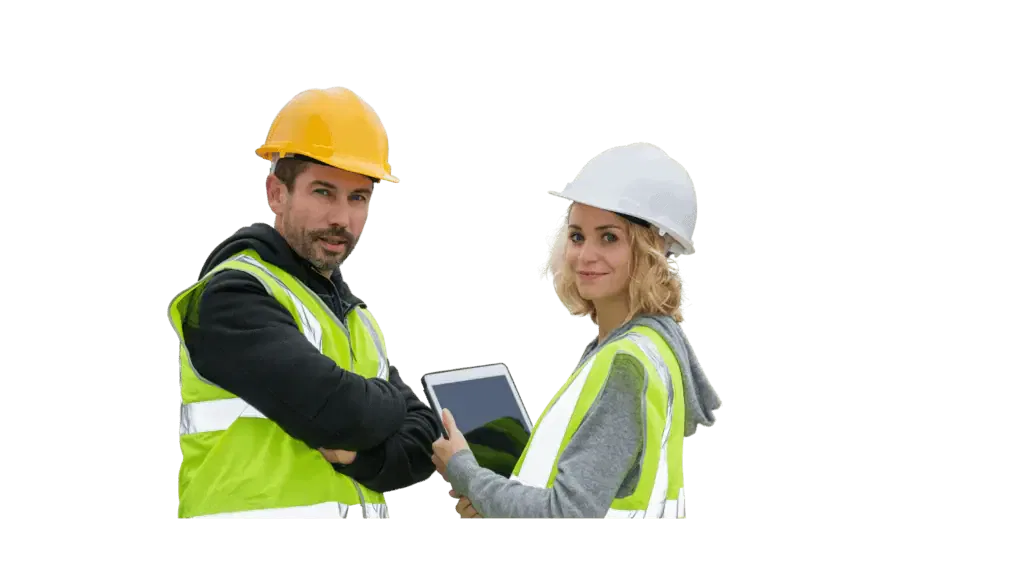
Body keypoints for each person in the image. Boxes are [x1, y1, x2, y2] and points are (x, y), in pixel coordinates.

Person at [169, 87, 443, 520]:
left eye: (358, 197)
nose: (342, 218)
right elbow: (340, 414)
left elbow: (426, 441)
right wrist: (393, 400)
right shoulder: (231, 297)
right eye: (323, 192)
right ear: (276, 193)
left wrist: (361, 458)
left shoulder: (352, 315)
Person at [431, 142, 721, 520]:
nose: (585, 256)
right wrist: (495, 500)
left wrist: (467, 473)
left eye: (610, 237)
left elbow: (566, 516)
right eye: (577, 235)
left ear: (650, 250)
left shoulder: (627, 366)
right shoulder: (635, 348)